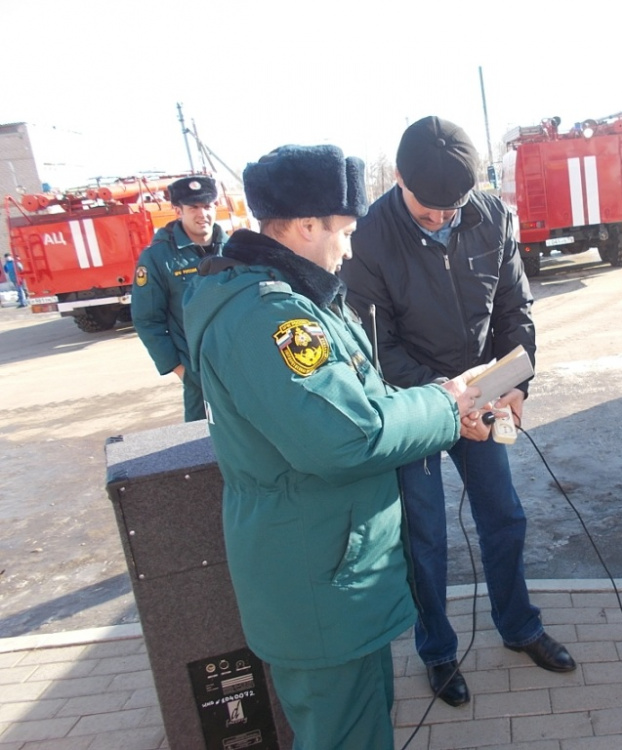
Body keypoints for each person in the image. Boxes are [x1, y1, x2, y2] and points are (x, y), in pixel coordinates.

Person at [182, 143, 484, 750]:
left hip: (331, 564)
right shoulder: (271, 317)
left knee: (362, 722)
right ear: (305, 225)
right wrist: (446, 406)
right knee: (345, 732)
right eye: (344, 232)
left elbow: (361, 403)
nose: (349, 248)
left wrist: (445, 413)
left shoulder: (289, 297)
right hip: (318, 576)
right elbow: (348, 437)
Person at [340, 116, 577, 708]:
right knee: (424, 537)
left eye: (454, 209)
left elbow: (514, 307)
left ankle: (519, 625)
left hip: (482, 394)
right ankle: (438, 651)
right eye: (429, 213)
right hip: (414, 405)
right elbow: (375, 347)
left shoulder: (491, 216)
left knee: (505, 517)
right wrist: (445, 399)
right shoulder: (368, 237)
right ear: (399, 179)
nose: (444, 219)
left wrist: (516, 383)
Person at [132, 175, 228, 421]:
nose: (202, 214)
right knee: (202, 439)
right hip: (198, 377)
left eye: (207, 206)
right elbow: (147, 319)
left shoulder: (234, 249)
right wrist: (180, 369)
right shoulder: (158, 257)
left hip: (240, 368)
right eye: (193, 207)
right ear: (178, 211)